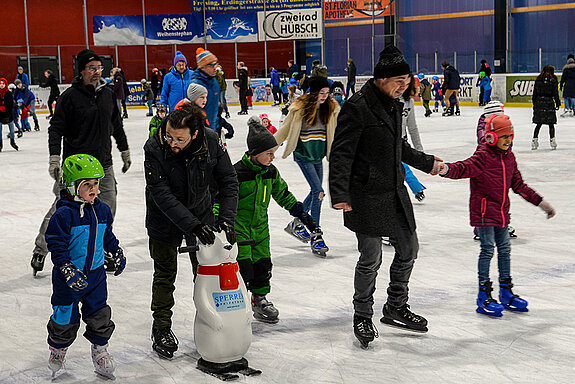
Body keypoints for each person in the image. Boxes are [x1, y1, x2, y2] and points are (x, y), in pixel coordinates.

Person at [329, 46, 444, 348]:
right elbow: (341, 153)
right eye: (398, 81)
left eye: (406, 80)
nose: (404, 86)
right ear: (381, 79)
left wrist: (428, 162)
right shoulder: (357, 106)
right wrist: (340, 192)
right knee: (371, 257)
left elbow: (399, 148)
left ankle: (395, 306)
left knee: (409, 248)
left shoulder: (395, 104)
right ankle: (362, 314)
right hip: (365, 193)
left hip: (394, 191)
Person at [143, 104, 238, 359]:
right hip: (163, 219)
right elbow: (161, 195)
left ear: (195, 134)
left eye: (179, 139)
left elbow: (228, 181)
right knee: (165, 273)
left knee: (207, 272)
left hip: (201, 212)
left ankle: (209, 323)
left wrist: (227, 218)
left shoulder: (210, 140)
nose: (172, 142)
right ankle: (161, 328)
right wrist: (193, 226)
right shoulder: (154, 148)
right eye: (169, 136)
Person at [439, 114, 556, 317]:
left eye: (510, 136)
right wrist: (445, 169)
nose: (508, 140)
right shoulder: (483, 156)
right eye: (503, 137)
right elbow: (463, 168)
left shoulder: (509, 157)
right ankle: (483, 295)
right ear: (492, 137)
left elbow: (519, 185)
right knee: (487, 251)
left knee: (504, 250)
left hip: (501, 213)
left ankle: (506, 292)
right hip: (484, 213)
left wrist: (541, 202)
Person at [30, 49, 131, 276]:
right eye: (92, 68)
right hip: (75, 167)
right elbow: (55, 129)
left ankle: (100, 247)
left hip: (103, 164)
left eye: (99, 68)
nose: (97, 73)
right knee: (61, 208)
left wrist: (124, 150)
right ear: (82, 71)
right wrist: (55, 159)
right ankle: (41, 248)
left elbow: (116, 124)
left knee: (107, 207)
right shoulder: (69, 97)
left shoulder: (107, 94)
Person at [44, 154, 126, 379]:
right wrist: (67, 269)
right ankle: (58, 348)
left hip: (96, 275)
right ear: (72, 186)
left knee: (99, 314)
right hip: (67, 277)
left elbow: (106, 236)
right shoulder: (63, 215)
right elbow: (56, 245)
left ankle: (100, 351)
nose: (94, 189)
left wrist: (116, 251)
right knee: (64, 316)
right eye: (87, 185)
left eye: (96, 183)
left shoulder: (102, 210)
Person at [234, 117, 316, 324]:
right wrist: (220, 220)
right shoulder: (238, 173)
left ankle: (259, 299)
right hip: (239, 229)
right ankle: (238, 302)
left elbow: (282, 193)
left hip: (261, 229)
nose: (273, 157)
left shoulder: (270, 172)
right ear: (255, 153)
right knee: (243, 266)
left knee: (262, 265)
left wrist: (300, 212)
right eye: (269, 153)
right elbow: (222, 199)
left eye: (274, 152)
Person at [275, 76, 340, 257]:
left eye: (327, 93)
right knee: (318, 192)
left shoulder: (331, 109)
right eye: (321, 93)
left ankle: (297, 223)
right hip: (303, 155)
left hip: (318, 155)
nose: (325, 97)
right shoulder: (299, 109)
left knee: (315, 192)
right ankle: (315, 234)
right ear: (313, 93)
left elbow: (339, 131)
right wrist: (267, 148)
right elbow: (284, 130)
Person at [399, 74, 426, 202]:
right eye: (416, 88)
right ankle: (417, 188)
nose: (418, 91)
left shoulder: (409, 102)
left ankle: (417, 189)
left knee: (403, 167)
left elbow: (412, 127)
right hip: (386, 142)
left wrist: (419, 150)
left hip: (401, 141)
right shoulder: (389, 100)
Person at [531, 65, 561, 150]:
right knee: (551, 124)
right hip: (549, 103)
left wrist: (534, 104)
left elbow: (535, 93)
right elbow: (555, 93)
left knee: (539, 124)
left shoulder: (538, 80)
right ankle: (552, 140)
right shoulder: (553, 80)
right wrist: (557, 103)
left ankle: (534, 140)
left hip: (539, 102)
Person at [190, 48, 220, 130]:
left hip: (213, 128)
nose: (215, 68)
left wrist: (218, 123)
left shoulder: (215, 82)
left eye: (216, 64)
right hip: (200, 130)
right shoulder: (196, 84)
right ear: (202, 67)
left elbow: (214, 108)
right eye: (211, 65)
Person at [0, 77, 19, 151]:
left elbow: (11, 105)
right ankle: (0, 144)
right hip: (0, 115)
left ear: (5, 84)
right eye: (0, 83)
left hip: (8, 114)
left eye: (3, 83)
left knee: (11, 130)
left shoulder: (9, 93)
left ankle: (12, 142)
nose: (1, 85)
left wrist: (12, 113)